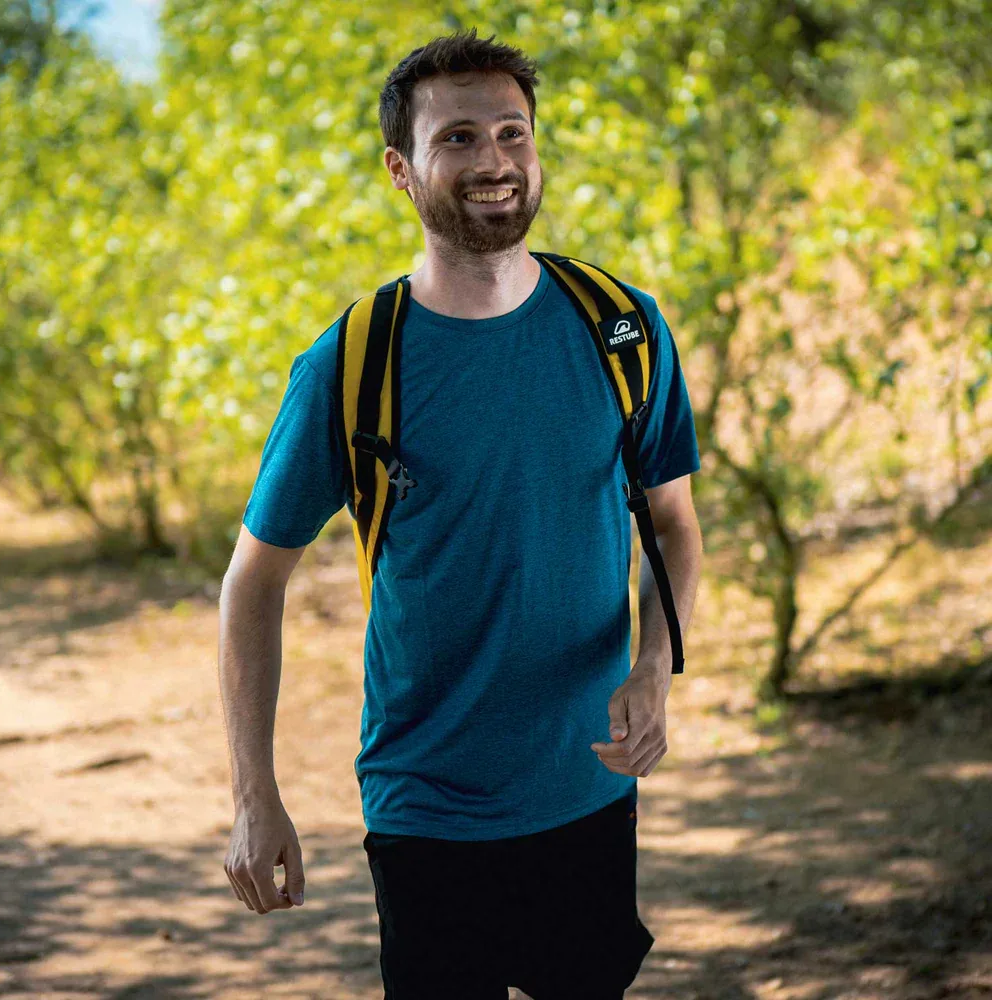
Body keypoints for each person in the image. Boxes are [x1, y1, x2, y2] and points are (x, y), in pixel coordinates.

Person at [219, 27, 704, 1000]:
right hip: (426, 807)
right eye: (458, 138)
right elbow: (253, 582)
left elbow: (673, 524)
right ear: (400, 169)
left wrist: (657, 665)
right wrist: (253, 795)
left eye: (512, 132)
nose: (494, 160)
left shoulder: (622, 328)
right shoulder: (352, 364)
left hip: (588, 788)